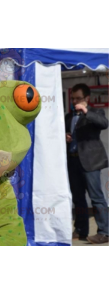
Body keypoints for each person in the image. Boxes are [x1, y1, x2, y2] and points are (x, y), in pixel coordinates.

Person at [65, 83, 109, 244]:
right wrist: (66, 137)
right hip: (73, 160)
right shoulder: (69, 117)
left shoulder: (95, 112)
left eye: (78, 98)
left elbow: (104, 124)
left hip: (90, 162)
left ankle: (105, 232)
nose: (75, 101)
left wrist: (86, 111)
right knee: (78, 198)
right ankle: (81, 230)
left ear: (87, 98)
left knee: (96, 198)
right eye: (73, 98)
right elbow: (65, 134)